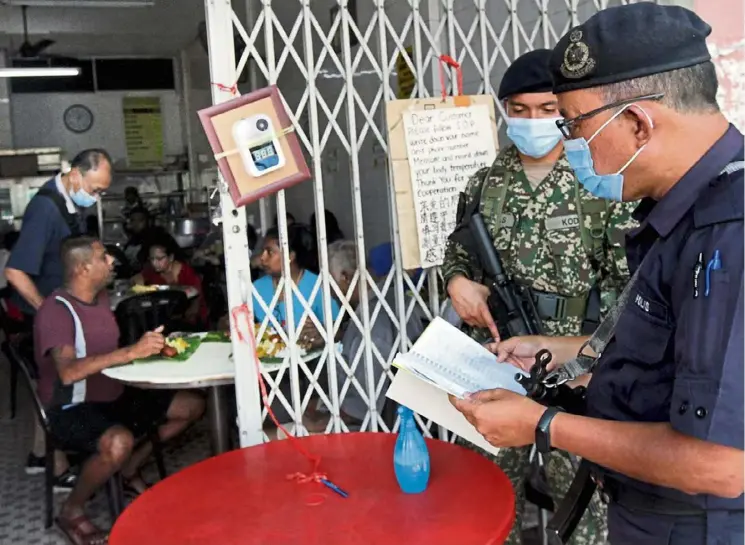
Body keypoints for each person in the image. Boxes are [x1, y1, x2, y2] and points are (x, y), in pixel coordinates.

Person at [451, 5, 744, 545]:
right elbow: (678, 360)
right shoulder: (681, 214)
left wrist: (542, 425)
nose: (571, 145)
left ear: (637, 123)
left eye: (574, 125)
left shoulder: (729, 237)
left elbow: (724, 464)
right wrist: (563, 351)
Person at [442, 49, 638, 544]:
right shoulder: (485, 182)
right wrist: (457, 281)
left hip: (572, 365)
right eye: (520, 110)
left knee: (581, 503)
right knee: (482, 489)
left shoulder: (599, 182)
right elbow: (458, 249)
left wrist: (595, 361)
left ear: (567, 111)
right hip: (493, 354)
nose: (533, 121)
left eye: (548, 110)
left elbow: (629, 287)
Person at [36, 236, 204, 544]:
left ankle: (129, 468)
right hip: (71, 407)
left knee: (191, 406)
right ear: (83, 267)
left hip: (114, 393)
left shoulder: (101, 299)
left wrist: (147, 348)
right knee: (117, 442)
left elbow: (111, 349)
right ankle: (71, 509)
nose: (112, 261)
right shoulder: (56, 311)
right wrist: (129, 353)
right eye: (103, 257)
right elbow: (68, 372)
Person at [6, 149, 113, 485]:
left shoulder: (69, 205)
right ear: (76, 175)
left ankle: (44, 455)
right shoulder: (45, 208)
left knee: (55, 388)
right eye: (94, 189)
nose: (95, 197)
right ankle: (58, 466)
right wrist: (49, 312)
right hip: (43, 316)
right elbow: (15, 272)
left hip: (63, 310)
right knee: (55, 389)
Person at [318, 240, 425, 428]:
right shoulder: (395, 298)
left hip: (376, 426)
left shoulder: (371, 323)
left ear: (344, 277)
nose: (327, 292)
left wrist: (314, 421)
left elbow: (363, 407)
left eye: (327, 282)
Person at [253, 224, 340, 335]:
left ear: (290, 256)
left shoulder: (317, 287)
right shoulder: (257, 288)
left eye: (270, 252)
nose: (262, 258)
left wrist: (321, 332)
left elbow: (338, 331)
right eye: (262, 251)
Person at [131, 233, 208, 328]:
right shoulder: (151, 271)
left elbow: (197, 301)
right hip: (167, 318)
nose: (155, 263)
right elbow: (136, 279)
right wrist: (140, 285)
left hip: (191, 318)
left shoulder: (186, 272)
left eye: (159, 259)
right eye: (152, 259)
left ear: (171, 258)